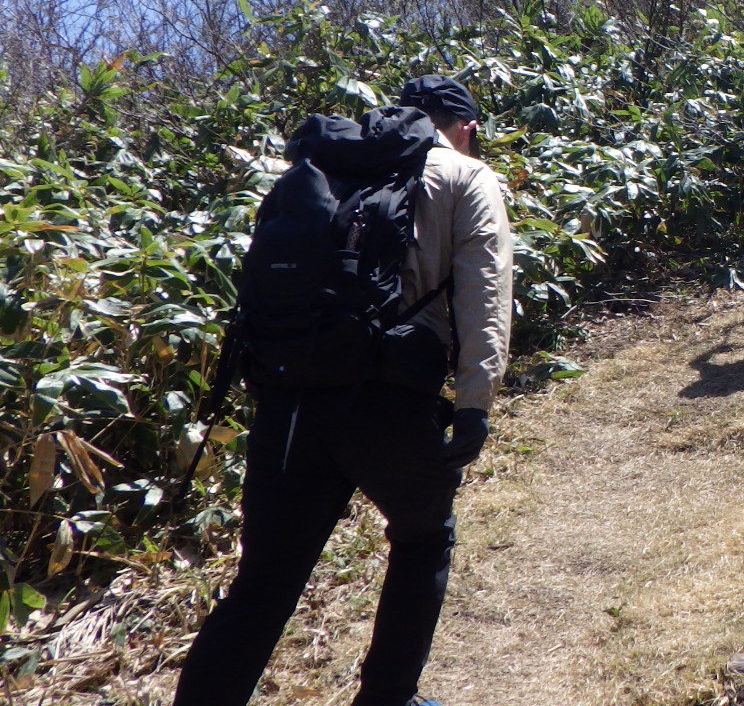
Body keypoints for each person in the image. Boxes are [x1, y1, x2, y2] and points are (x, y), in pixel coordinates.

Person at [173, 75, 514, 706]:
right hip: (390, 396)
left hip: (290, 398)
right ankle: (388, 698)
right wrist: (475, 403)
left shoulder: (324, 167)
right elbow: (484, 292)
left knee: (264, 582)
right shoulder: (467, 176)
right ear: (463, 126)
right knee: (423, 537)